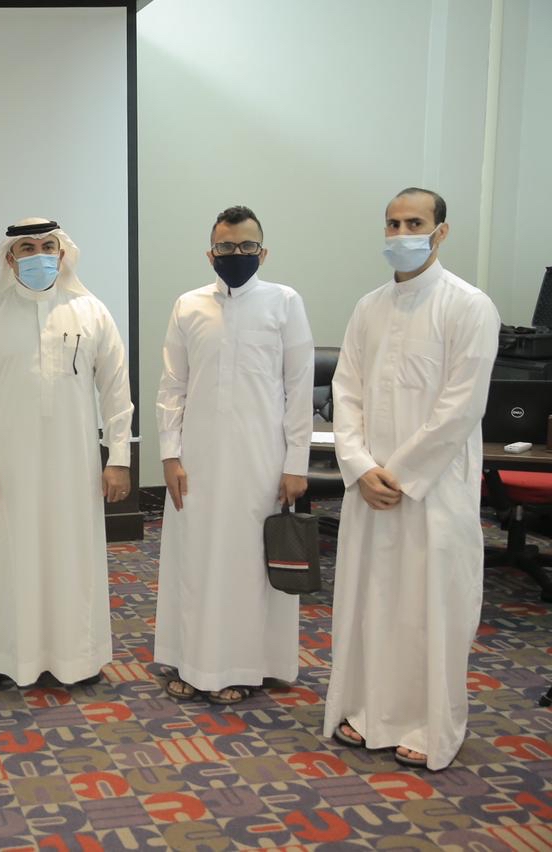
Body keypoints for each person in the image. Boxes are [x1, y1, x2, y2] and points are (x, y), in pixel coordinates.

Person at [324, 188, 500, 770]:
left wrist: (397, 474)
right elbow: (346, 393)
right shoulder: (368, 307)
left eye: (414, 223)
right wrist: (360, 466)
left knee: (431, 608)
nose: (401, 234)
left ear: (441, 232)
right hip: (369, 486)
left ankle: (430, 726)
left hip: (434, 489)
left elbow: (461, 407)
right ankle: (367, 710)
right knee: (371, 600)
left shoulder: (470, 306)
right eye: (393, 224)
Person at [0, 219, 134, 691]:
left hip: (75, 466)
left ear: (62, 253)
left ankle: (77, 657)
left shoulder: (92, 312)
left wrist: (119, 457)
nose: (39, 255)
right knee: (6, 557)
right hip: (5, 468)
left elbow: (116, 390)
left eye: (47, 246)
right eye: (27, 248)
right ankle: (0, 656)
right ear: (10, 259)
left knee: (73, 557)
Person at [153, 205, 314, 705]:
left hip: (261, 459)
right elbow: (172, 386)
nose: (236, 254)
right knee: (195, 560)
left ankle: (247, 666)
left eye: (247, 246)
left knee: (248, 565)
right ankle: (191, 661)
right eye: (226, 247)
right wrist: (169, 455)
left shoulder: (285, 303)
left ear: (263, 253)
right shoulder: (188, 306)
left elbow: (299, 388)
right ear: (210, 254)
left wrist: (296, 464)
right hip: (196, 460)